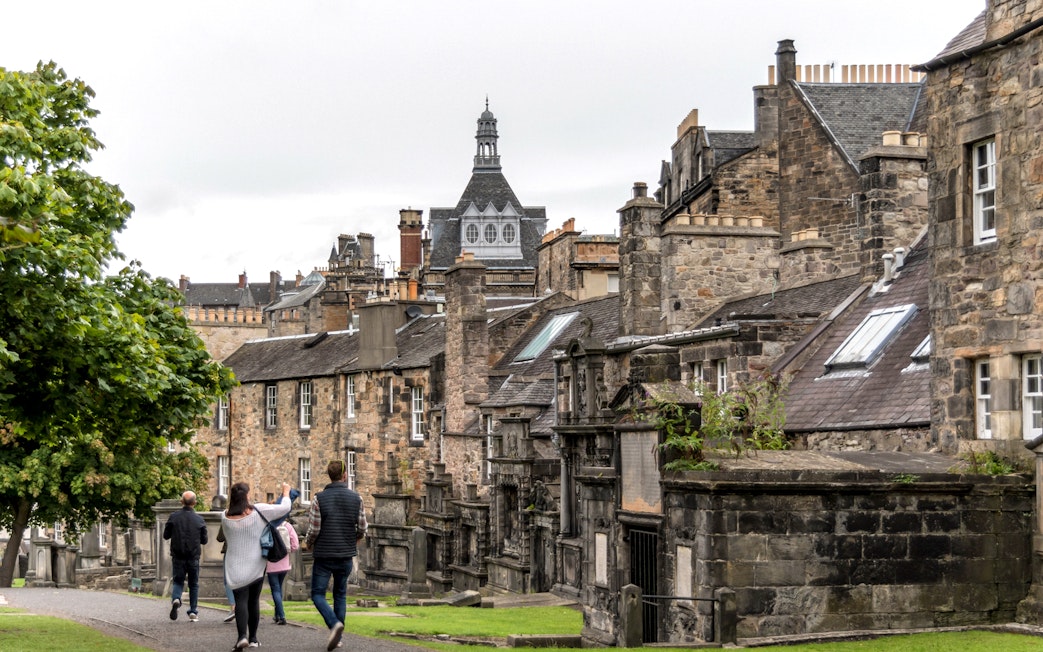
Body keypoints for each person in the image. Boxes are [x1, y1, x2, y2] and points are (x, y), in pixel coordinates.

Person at [303, 460, 367, 651]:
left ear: (329, 475)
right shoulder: (357, 498)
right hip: (346, 554)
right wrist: (354, 540)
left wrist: (308, 543)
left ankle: (333, 624)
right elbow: (363, 527)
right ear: (344, 475)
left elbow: (314, 529)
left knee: (317, 594)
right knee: (340, 594)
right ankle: (338, 638)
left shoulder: (318, 498)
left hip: (324, 555)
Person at [222, 481, 291, 650]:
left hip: (234, 566)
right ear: (246, 496)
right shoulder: (258, 511)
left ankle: (241, 637)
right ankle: (253, 638)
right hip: (255, 565)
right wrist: (286, 492)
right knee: (253, 601)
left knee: (240, 601)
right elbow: (284, 508)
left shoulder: (224, 516)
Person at [163, 490, 207, 622]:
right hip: (193, 556)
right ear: (195, 503)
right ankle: (193, 611)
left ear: (181, 502)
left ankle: (176, 598)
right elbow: (204, 540)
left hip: (178, 555)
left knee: (178, 581)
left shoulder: (174, 517)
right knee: (193, 584)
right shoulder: (199, 520)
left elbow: (166, 535)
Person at [265, 512, 299, 625]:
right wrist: (287, 552)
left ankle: (282, 616)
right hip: (285, 562)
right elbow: (295, 545)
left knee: (275, 589)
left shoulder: (268, 526)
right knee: (279, 588)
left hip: (271, 562)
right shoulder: (288, 526)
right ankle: (277, 615)